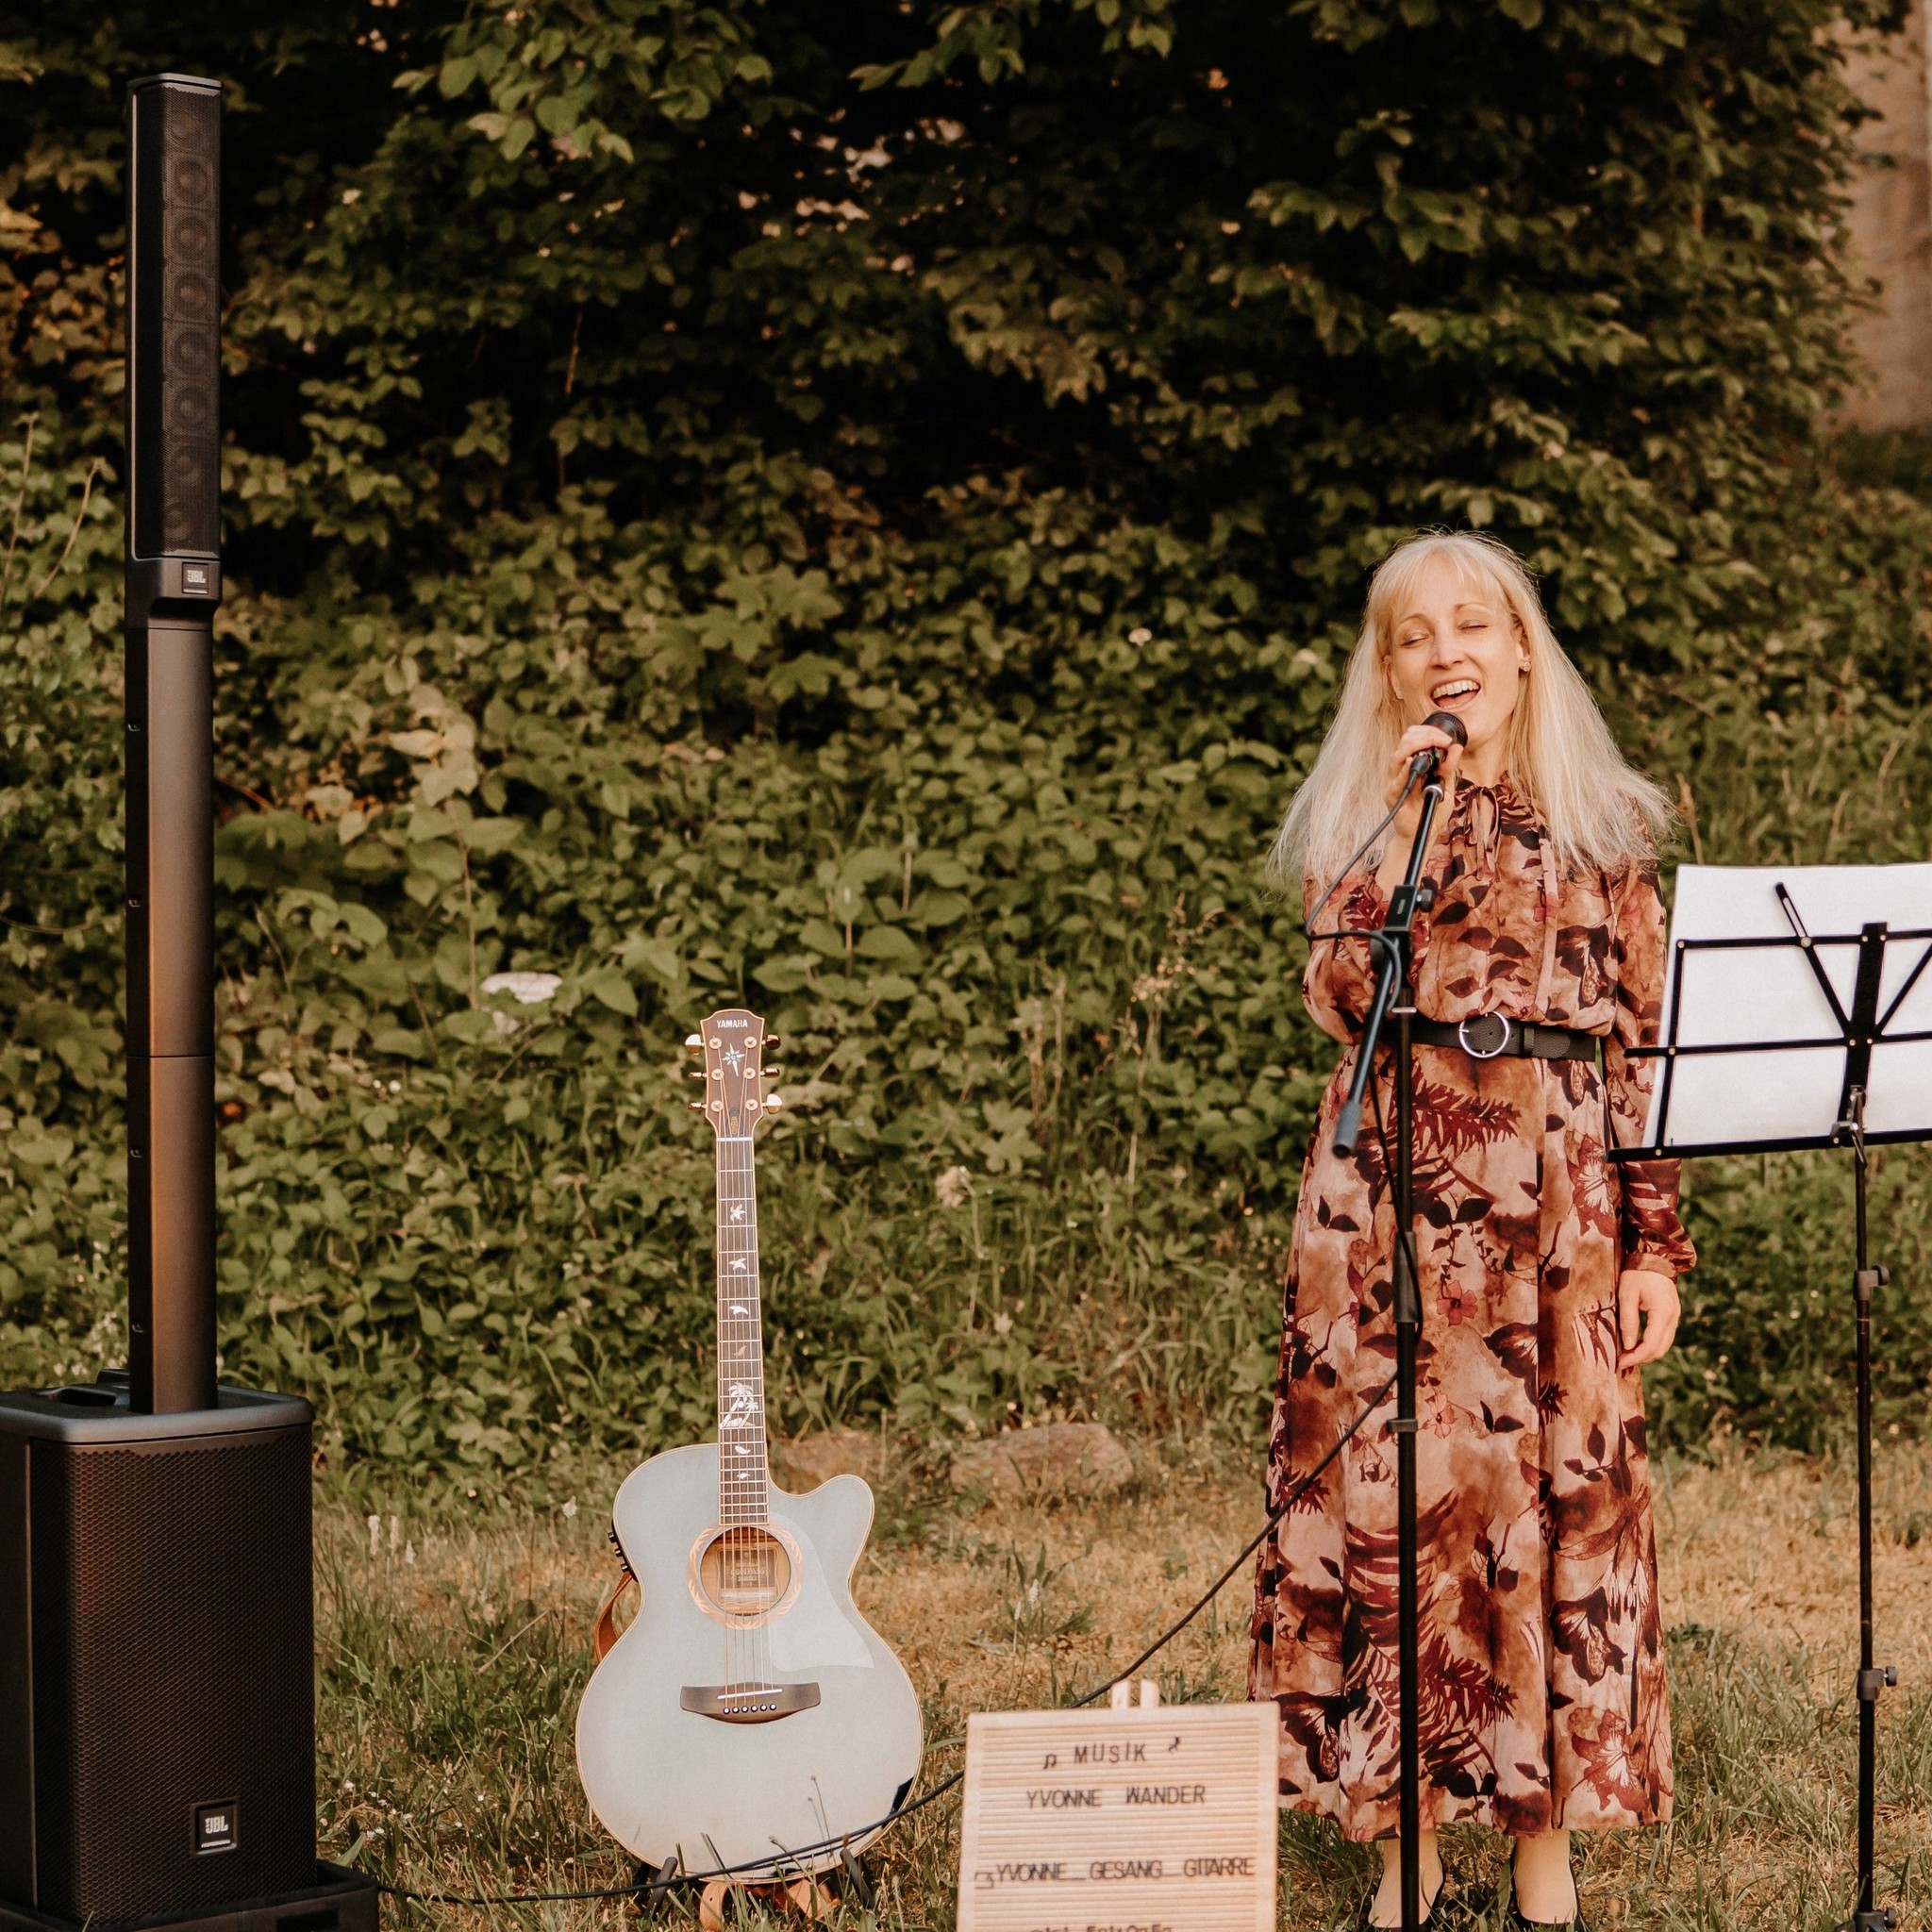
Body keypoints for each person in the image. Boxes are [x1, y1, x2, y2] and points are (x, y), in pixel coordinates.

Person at [1250, 530, 1692, 1931]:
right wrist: (1400, 831)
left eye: (1474, 626)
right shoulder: (1365, 827)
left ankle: (1543, 1855)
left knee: (1552, 1516)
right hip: (1386, 1196)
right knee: (1395, 1517)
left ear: (1519, 650)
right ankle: (1406, 1848)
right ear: (1387, 670)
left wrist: (1657, 1249)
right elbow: (1336, 995)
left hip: (1556, 1209)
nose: (1447, 652)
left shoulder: (1608, 832)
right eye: (1413, 635)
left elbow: (1646, 1062)